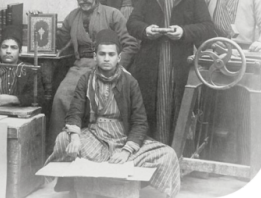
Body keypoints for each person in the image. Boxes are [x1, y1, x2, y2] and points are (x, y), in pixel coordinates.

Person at [46, 29, 180, 198]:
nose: (107, 58)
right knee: (63, 139)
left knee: (167, 154)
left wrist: (126, 151)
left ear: (119, 56)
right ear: (95, 56)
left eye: (111, 54)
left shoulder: (130, 82)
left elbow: (140, 122)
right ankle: (85, 182)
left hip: (123, 136)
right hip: (95, 137)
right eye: (102, 54)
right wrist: (74, 136)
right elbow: (75, 111)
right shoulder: (86, 79)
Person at [127, 0, 215, 145]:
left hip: (180, 66)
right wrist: (146, 30)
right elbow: (132, 23)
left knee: (179, 113)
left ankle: (175, 156)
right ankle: (149, 154)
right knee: (149, 112)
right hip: (151, 65)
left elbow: (208, 28)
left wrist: (183, 32)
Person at [47, 0, 139, 153]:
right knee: (60, 99)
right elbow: (58, 41)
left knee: (96, 106)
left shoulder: (113, 14)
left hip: (107, 67)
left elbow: (130, 44)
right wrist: (41, 26)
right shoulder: (72, 17)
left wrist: (118, 67)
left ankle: (92, 149)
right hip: (80, 66)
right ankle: (58, 150)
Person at [204, 0, 261, 164]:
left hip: (245, 62)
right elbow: (202, 26)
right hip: (215, 62)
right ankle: (210, 160)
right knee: (212, 111)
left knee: (239, 112)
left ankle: (242, 162)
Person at [0, 25, 44, 107]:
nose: (8, 51)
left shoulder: (30, 70)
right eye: (4, 47)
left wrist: (13, 99)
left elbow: (38, 97)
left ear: (20, 51)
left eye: (13, 48)